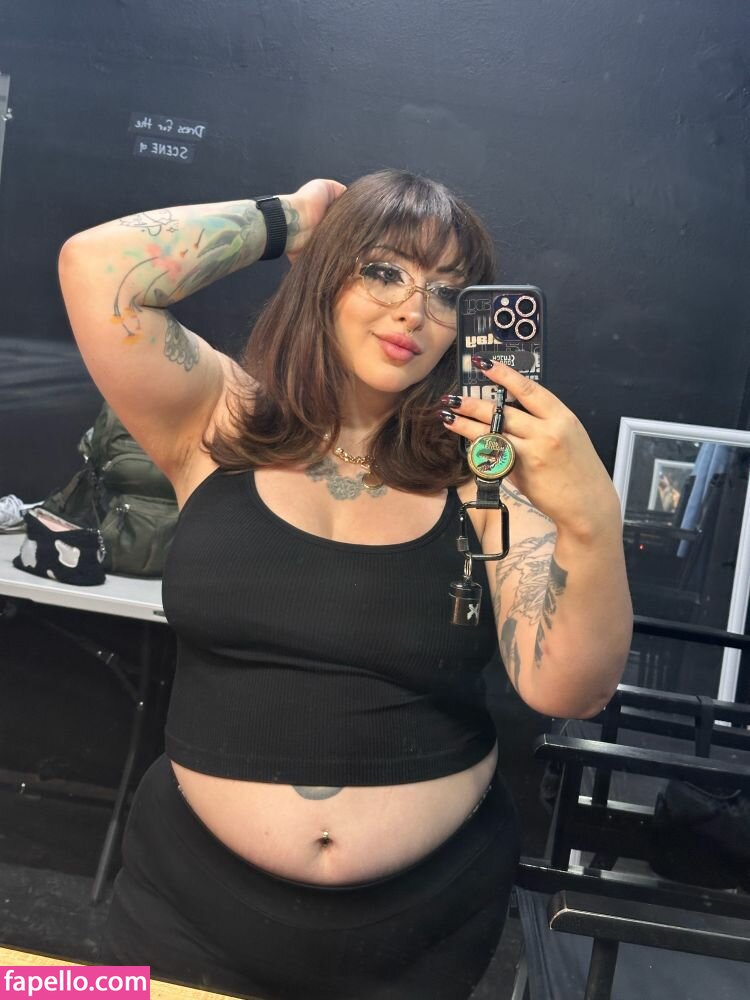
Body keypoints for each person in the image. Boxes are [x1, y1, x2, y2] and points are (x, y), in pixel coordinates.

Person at [58, 169, 632, 1000]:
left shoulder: (485, 476)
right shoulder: (220, 420)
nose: (414, 312)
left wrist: (591, 521)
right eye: (384, 271)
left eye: (448, 293)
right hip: (188, 908)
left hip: (421, 928)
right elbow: (95, 267)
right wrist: (296, 219)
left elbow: (566, 689)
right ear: (327, 274)